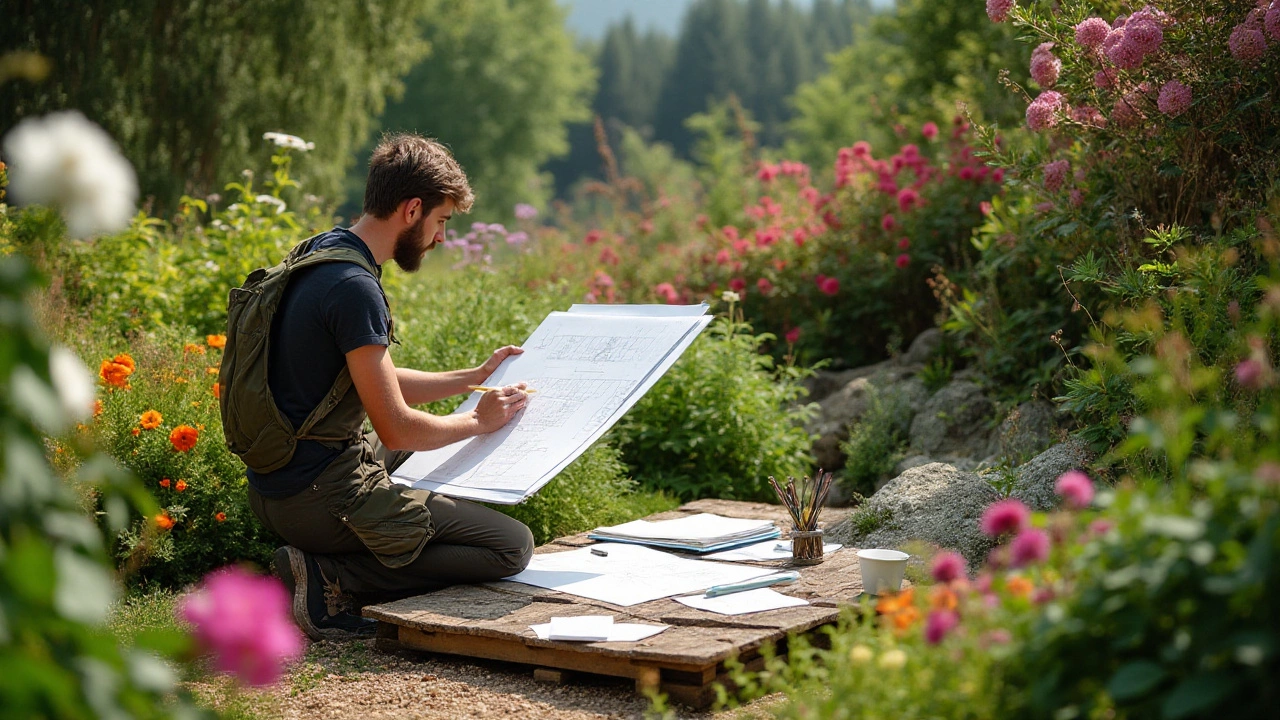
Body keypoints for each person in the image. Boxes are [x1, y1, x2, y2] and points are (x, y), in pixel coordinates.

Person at [246, 133, 534, 640]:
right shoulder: (355, 289)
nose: (441, 237)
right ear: (413, 209)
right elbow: (397, 428)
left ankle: (337, 552)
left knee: (416, 460)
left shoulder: (322, 253)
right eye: (441, 221)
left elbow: (368, 385)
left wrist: (469, 378)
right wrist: (475, 421)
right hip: (315, 499)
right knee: (510, 546)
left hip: (279, 482)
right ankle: (329, 576)